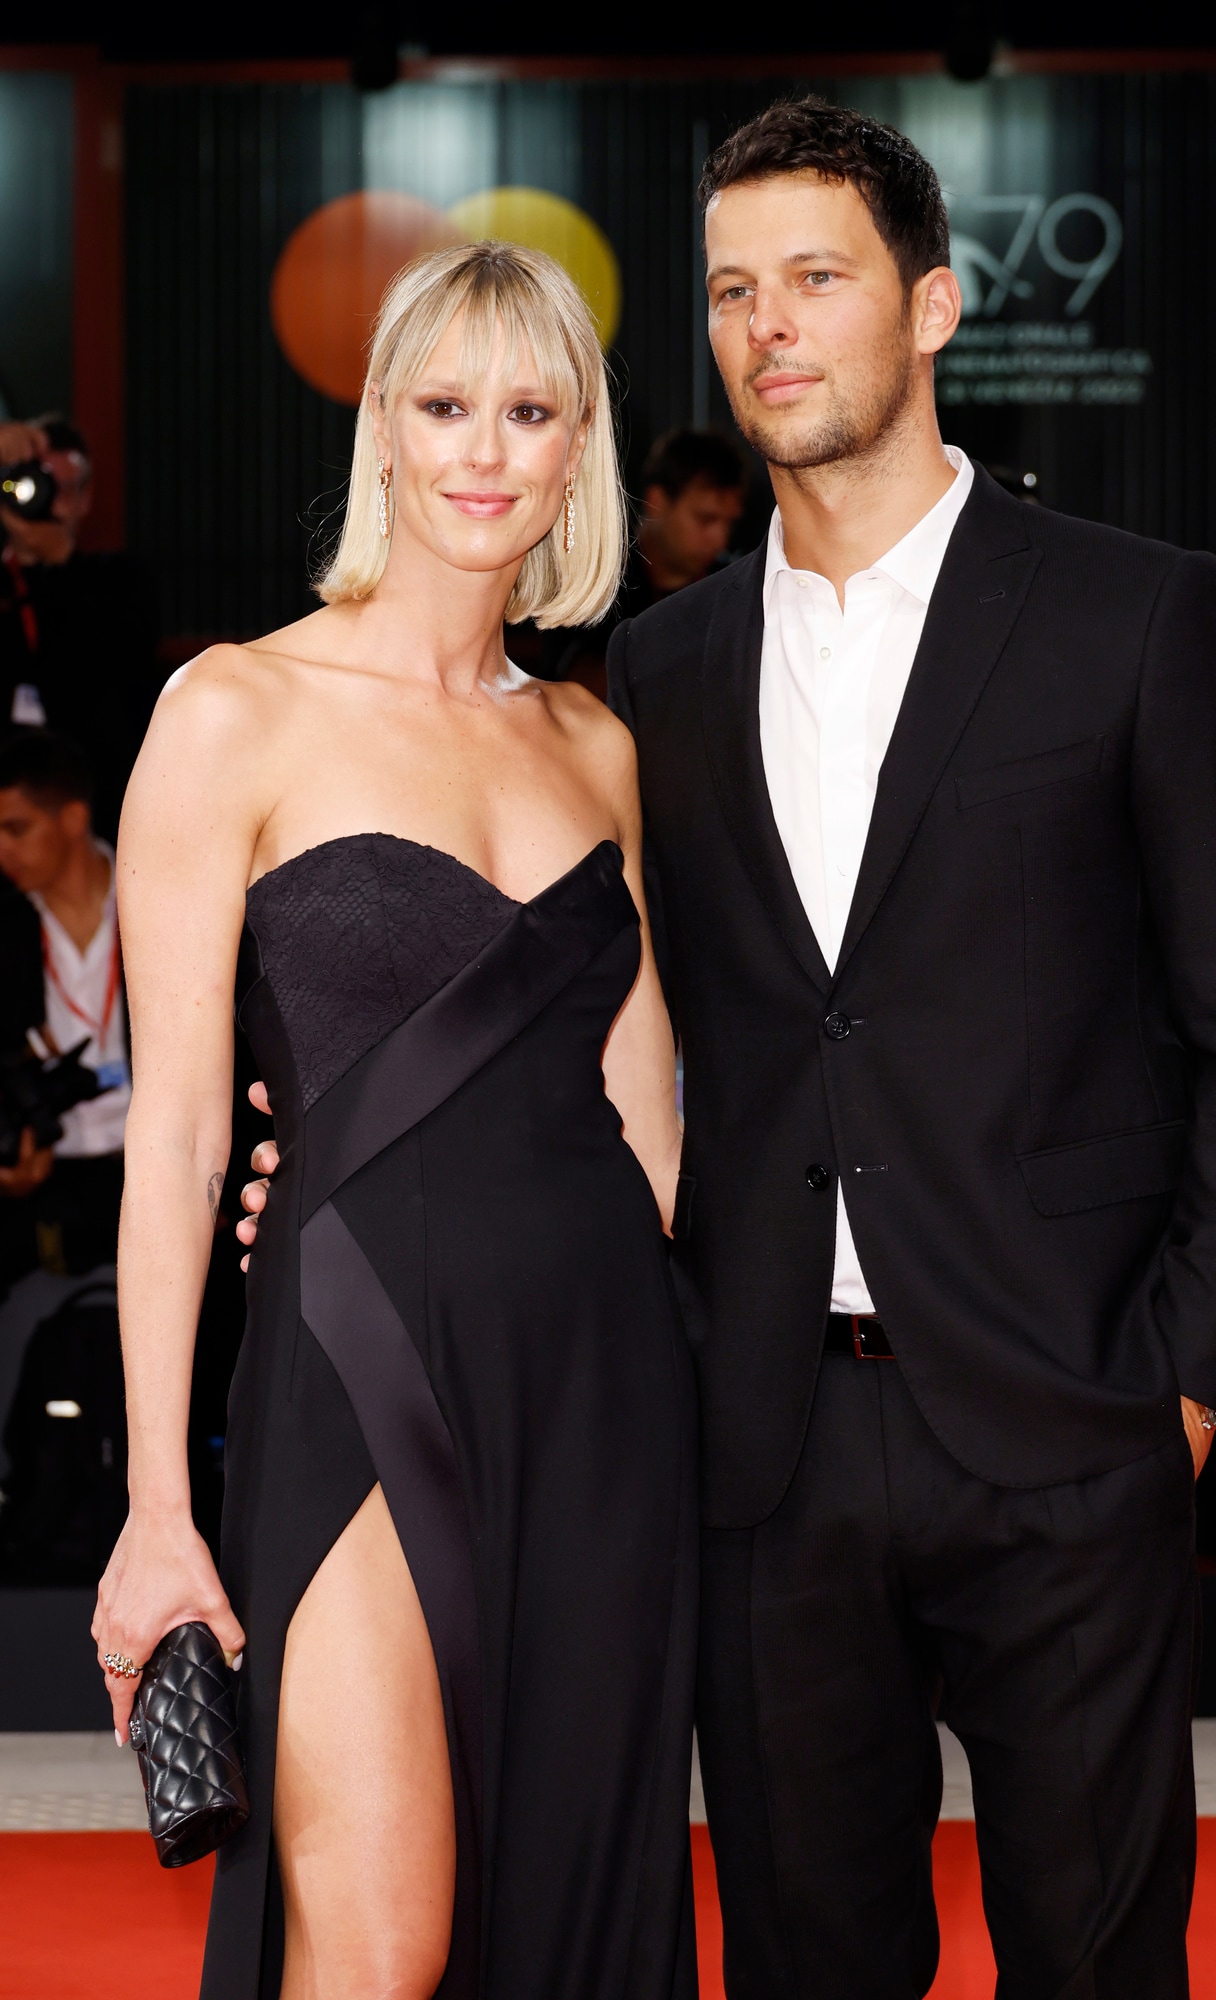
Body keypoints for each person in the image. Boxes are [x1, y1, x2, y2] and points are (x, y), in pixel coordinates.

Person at [602, 99, 1216, 1998]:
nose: (765, 324)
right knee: (803, 1964)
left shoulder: (1131, 613)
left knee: (1094, 1965)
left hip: (1069, 1416)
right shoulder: (659, 670)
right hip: (766, 1439)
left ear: (931, 304)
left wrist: (1192, 1385)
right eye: (730, 290)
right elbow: (619, 1031)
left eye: (812, 277)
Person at [93, 242, 697, 2000]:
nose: (483, 452)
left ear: (578, 451)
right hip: (353, 1364)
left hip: (599, 1382)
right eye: (444, 405)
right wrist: (153, 1504)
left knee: (570, 1925)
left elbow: (647, 1123)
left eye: (529, 410)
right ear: (380, 427)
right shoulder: (232, 709)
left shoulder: (595, 745)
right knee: (375, 1947)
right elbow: (179, 1138)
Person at [0, 729, 129, 1290]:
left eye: (15, 829)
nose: (1, 849)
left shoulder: (162, 896)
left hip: (164, 1167)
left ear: (74, 818)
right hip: (46, 1186)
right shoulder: (7, 928)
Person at [0, 415, 159, 837]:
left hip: (96, 807)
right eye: (36, 483)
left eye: (64, 488)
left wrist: (59, 562)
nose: (48, 501)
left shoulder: (119, 580)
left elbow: (104, 682)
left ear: (85, 498)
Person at [546, 426, 746, 696]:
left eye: (728, 524)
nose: (720, 541)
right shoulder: (595, 583)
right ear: (656, 501)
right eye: (705, 519)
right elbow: (571, 685)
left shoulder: (732, 590)